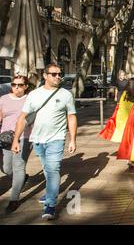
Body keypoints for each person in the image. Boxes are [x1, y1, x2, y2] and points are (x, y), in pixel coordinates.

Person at [11, 63, 77, 220]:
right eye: (54, 74)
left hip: (57, 138)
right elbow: (22, 118)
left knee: (53, 169)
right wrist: (16, 140)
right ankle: (50, 192)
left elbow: (71, 116)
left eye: (59, 74)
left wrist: (72, 139)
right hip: (38, 139)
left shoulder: (66, 94)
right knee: (47, 170)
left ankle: (50, 204)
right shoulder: (34, 95)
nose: (58, 77)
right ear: (45, 76)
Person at [0, 75, 32, 214]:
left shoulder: (30, 100)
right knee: (6, 168)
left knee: (18, 166)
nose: (16, 87)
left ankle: (14, 199)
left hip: (24, 137)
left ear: (26, 86)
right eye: (14, 84)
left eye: (19, 85)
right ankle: (22, 178)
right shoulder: (3, 99)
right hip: (6, 137)